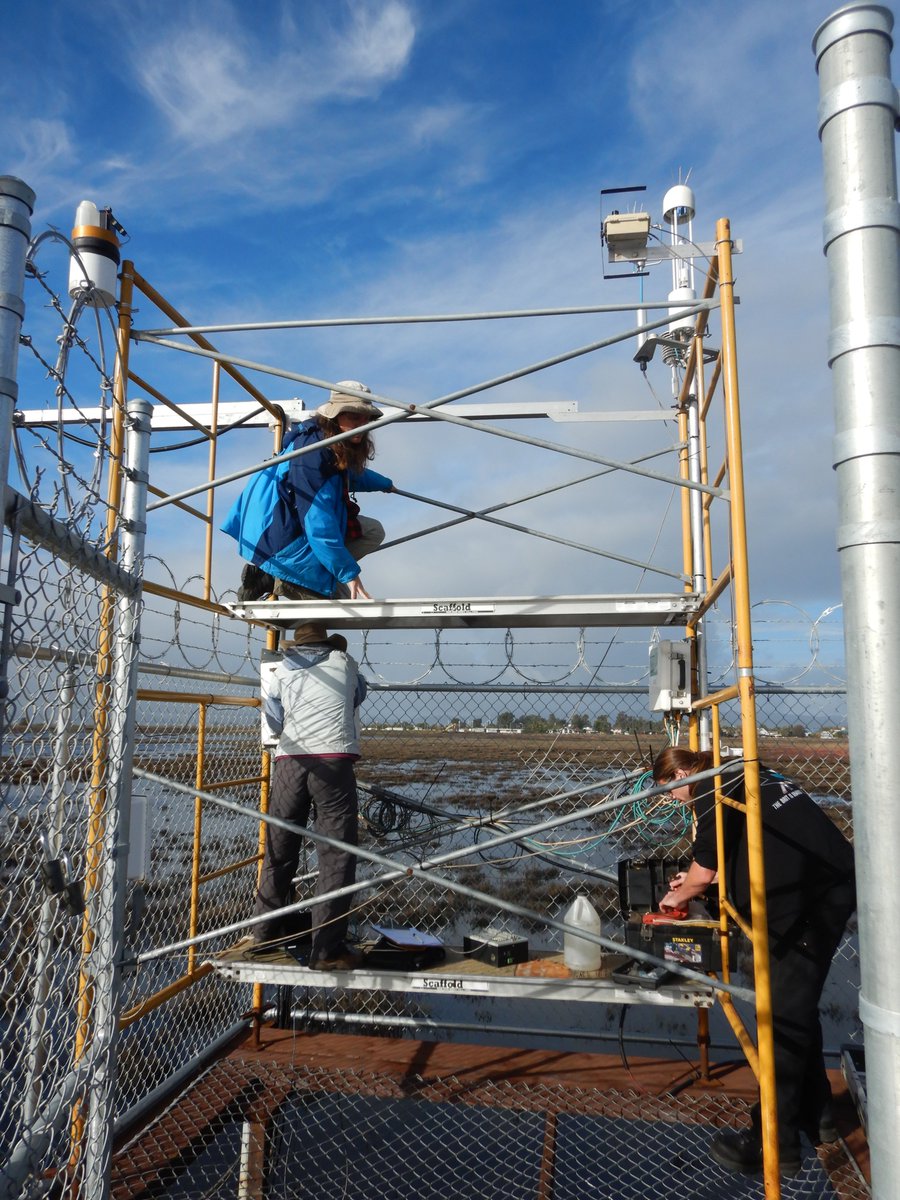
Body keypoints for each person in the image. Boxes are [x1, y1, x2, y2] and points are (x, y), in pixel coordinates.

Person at [652, 747, 856, 1177]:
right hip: (825, 885)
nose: (672, 799)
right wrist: (694, 882)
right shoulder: (743, 773)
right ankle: (817, 1115)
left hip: (805, 903)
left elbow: (705, 869)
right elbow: (749, 847)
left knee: (780, 1018)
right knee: (794, 1008)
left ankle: (774, 1144)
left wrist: (680, 894)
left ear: (683, 773)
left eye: (669, 789)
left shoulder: (711, 789)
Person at [252, 621, 367, 970]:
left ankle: (264, 933)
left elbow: (274, 718)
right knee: (335, 854)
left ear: (295, 646)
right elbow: (358, 695)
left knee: (279, 847)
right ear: (329, 644)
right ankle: (327, 950)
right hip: (333, 761)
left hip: (290, 760)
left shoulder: (281, 672)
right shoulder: (344, 664)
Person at [223, 381, 394, 603]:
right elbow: (318, 523)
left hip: (280, 522)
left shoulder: (325, 440)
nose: (362, 424)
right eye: (354, 417)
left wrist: (385, 484)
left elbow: (345, 474)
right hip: (277, 533)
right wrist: (348, 573)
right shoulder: (313, 454)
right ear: (335, 415)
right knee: (335, 599)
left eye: (366, 418)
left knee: (372, 531)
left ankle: (274, 575)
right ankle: (287, 582)